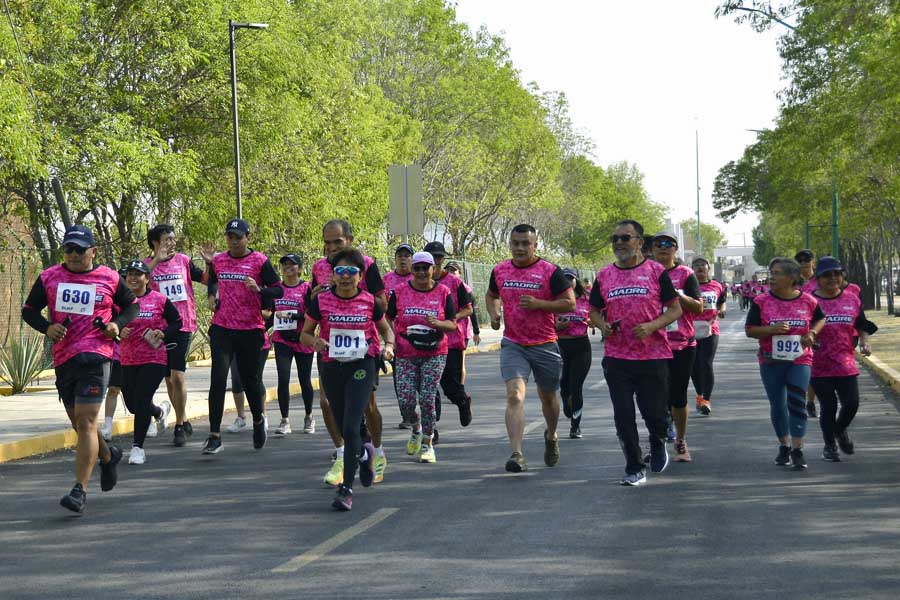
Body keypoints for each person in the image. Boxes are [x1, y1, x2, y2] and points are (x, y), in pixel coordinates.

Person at [22, 225, 138, 513]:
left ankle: (79, 490)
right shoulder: (49, 277)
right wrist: (47, 327)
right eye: (69, 249)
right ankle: (108, 456)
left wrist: (116, 325)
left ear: (93, 251)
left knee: (86, 422)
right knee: (80, 424)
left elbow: (132, 306)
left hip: (97, 355)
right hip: (64, 359)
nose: (73, 255)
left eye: (79, 249)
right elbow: (28, 311)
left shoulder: (109, 278)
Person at [301, 249, 395, 511]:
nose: (345, 277)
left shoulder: (369, 302)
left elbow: (387, 331)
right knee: (344, 427)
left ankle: (346, 489)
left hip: (362, 365)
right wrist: (315, 342)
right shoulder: (320, 302)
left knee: (353, 426)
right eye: (340, 272)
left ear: (360, 276)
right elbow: (304, 335)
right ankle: (365, 455)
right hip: (332, 365)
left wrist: (388, 347)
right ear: (332, 275)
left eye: (351, 272)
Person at [589, 220, 680, 486]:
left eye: (625, 238)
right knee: (623, 415)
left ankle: (658, 439)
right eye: (615, 238)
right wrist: (604, 325)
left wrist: (652, 326)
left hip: (653, 356)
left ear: (640, 242)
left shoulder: (655, 271)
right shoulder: (605, 275)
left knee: (654, 414)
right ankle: (633, 466)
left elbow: (675, 309)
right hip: (617, 358)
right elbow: (593, 311)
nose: (619, 243)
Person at [485, 224, 575, 473]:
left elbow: (570, 303)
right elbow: (491, 295)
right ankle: (517, 453)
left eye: (526, 243)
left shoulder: (550, 271)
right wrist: (494, 314)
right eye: (516, 243)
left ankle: (552, 435)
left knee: (548, 397)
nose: (521, 248)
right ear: (510, 244)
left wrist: (539, 304)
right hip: (513, 343)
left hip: (544, 343)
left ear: (535, 245)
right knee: (515, 396)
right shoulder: (500, 270)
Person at [309, 219, 389, 485]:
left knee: (368, 406)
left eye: (337, 242)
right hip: (331, 346)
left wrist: (354, 292)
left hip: (363, 347)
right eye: (327, 242)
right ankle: (343, 455)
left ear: (350, 240)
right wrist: (320, 293)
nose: (331, 248)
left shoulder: (366, 264)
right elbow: (311, 302)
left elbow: (382, 303)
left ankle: (377, 450)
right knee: (326, 403)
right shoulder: (319, 267)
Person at [198, 218, 282, 455]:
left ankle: (258, 420)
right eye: (230, 237)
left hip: (250, 329)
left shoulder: (259, 261)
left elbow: (278, 288)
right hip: (222, 327)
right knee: (217, 380)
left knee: (250, 380)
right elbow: (213, 280)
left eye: (238, 237)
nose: (234, 241)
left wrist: (260, 290)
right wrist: (212, 295)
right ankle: (214, 435)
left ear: (248, 238)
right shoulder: (220, 259)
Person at [746, 257, 825, 469]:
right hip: (771, 360)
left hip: (800, 358)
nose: (772, 277)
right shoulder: (761, 301)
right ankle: (784, 444)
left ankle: (798, 449)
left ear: (792, 278)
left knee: (797, 401)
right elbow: (750, 330)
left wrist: (812, 332)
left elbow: (820, 319)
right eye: (771, 273)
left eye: (777, 273)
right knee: (778, 404)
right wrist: (771, 330)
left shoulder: (808, 300)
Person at [386, 252, 456, 463]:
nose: (422, 272)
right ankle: (416, 428)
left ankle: (427, 442)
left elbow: (452, 324)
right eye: (417, 268)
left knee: (427, 398)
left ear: (433, 269)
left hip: (434, 353)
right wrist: (392, 340)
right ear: (412, 270)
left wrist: (438, 324)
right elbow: (387, 318)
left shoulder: (443, 291)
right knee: (406, 401)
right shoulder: (399, 292)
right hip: (406, 353)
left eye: (426, 268)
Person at [144, 224, 208, 446]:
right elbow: (136, 284)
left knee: (178, 376)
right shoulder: (147, 265)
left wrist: (210, 263)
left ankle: (180, 424)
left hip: (182, 324)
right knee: (169, 378)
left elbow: (207, 279)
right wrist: (155, 260)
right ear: (155, 243)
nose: (172, 243)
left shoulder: (183, 260)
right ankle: (184, 417)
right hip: (159, 328)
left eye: (173, 239)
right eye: (166, 240)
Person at [809, 257, 877, 461]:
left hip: (845, 362)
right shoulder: (809, 301)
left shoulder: (852, 299)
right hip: (818, 363)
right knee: (828, 407)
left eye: (836, 274)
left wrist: (865, 342)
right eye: (827, 275)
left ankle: (839, 430)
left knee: (852, 403)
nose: (832, 278)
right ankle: (829, 446)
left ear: (843, 276)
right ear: (818, 279)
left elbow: (862, 324)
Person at [118, 261, 181, 464]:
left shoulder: (159, 300)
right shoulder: (119, 302)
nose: (133, 278)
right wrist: (118, 329)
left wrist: (163, 333)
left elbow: (177, 322)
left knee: (142, 398)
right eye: (130, 275)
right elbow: (109, 323)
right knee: (134, 405)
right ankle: (159, 411)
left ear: (147, 278)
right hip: (127, 359)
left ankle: (138, 448)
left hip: (154, 358)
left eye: (138, 274)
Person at [651, 231, 703, 461]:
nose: (663, 247)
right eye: (659, 244)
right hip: (653, 344)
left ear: (675, 249)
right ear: (652, 249)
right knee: (655, 397)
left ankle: (681, 440)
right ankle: (658, 441)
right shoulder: (646, 273)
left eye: (668, 244)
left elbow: (698, 308)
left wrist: (678, 296)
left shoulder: (686, 274)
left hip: (682, 344)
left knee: (678, 397)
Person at [424, 241, 474, 437]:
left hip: (451, 341)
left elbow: (468, 309)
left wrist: (448, 320)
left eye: (439, 258)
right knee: (428, 387)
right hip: (424, 342)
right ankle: (431, 428)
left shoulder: (454, 282)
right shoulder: (415, 280)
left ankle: (462, 401)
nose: (436, 261)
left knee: (449, 385)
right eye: (432, 258)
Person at [271, 254, 315, 435]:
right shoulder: (277, 289)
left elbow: (311, 315)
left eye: (292, 265)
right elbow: (270, 312)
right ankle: (284, 420)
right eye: (284, 265)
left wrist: (290, 316)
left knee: (305, 380)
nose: (288, 268)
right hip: (282, 339)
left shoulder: (306, 288)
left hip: (303, 339)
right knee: (283, 378)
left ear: (299, 268)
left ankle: (309, 416)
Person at [556, 268, 592, 439]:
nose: (568, 282)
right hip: (561, 345)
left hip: (581, 346)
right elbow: (545, 324)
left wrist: (594, 322)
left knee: (576, 386)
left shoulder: (586, 299)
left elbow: (597, 315)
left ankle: (575, 426)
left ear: (576, 281)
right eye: (564, 279)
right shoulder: (554, 300)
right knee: (564, 385)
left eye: (570, 278)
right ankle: (566, 401)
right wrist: (557, 326)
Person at [690, 257, 727, 416]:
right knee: (693, 366)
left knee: (706, 363)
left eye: (702, 265)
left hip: (710, 328)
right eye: (696, 265)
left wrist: (722, 309)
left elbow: (721, 302)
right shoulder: (688, 285)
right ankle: (699, 394)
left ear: (708, 268)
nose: (700, 268)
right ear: (692, 269)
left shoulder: (717, 285)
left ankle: (706, 399)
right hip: (690, 329)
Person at [384, 243, 414, 429]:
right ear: (395, 259)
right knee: (400, 378)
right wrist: (388, 339)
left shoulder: (419, 277)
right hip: (396, 337)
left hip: (418, 337)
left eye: (407, 255)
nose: (403, 259)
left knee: (418, 378)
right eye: (400, 255)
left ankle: (426, 410)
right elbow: (381, 308)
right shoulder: (387, 279)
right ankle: (407, 414)